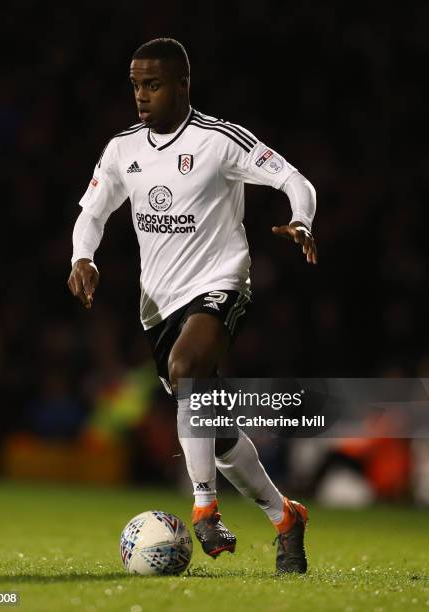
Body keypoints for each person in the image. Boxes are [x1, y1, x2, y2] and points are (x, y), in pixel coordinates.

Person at [68, 38, 317, 573]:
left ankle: (204, 508)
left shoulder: (219, 141)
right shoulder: (122, 149)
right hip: (159, 306)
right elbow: (92, 211)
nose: (141, 95)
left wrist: (302, 219)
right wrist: (81, 256)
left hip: (221, 282)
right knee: (214, 426)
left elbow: (294, 178)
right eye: (135, 85)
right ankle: (285, 517)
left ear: (183, 84)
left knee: (187, 371)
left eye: (152, 85)